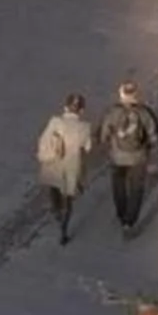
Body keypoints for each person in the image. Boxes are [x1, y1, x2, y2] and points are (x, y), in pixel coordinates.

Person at [103, 80, 158, 238]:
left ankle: (121, 213)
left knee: (118, 186)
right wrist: (150, 149)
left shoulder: (113, 112)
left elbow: (104, 134)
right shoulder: (144, 113)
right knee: (136, 189)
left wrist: (109, 144)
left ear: (121, 94)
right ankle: (129, 222)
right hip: (138, 157)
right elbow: (154, 137)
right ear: (136, 95)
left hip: (117, 156)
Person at [38, 92, 93, 245]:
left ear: (65, 107)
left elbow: (44, 138)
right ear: (81, 110)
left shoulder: (55, 121)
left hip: (53, 164)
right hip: (71, 168)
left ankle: (56, 212)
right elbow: (87, 147)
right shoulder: (84, 127)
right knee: (68, 199)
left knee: (53, 190)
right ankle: (63, 229)